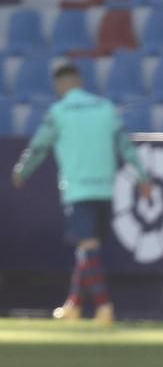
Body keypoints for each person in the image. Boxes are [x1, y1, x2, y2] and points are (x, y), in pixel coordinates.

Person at [10, 62, 153, 323]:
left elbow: (39, 147)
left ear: (60, 85)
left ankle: (104, 306)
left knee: (88, 247)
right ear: (80, 81)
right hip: (105, 188)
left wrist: (22, 171)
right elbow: (126, 146)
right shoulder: (105, 108)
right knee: (87, 247)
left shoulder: (59, 111)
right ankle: (73, 306)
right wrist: (142, 177)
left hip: (78, 189)